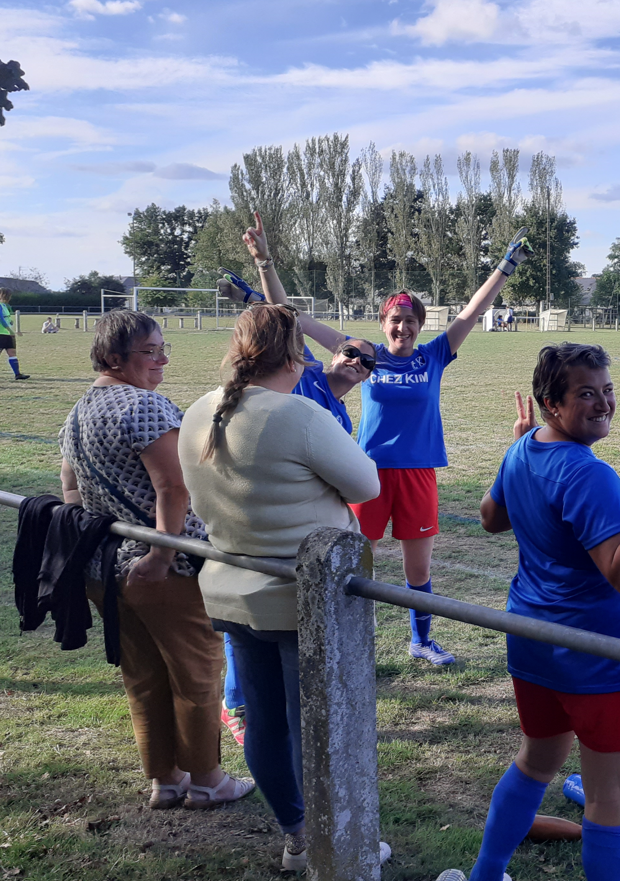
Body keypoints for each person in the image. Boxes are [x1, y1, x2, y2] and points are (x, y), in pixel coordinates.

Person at [435, 343, 620, 881]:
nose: (603, 403)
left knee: (536, 762)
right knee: (609, 795)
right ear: (551, 404)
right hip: (597, 657)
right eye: (586, 394)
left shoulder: (525, 447)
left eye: (608, 390)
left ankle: (486, 875)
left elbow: (491, 518)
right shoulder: (585, 474)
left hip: (534, 644)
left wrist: (517, 458)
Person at [179, 303, 385, 873]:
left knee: (265, 721)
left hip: (229, 590)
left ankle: (297, 836)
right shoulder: (298, 414)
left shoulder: (199, 411)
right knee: (315, 728)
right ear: (295, 356)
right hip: (304, 598)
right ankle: (327, 844)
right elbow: (365, 483)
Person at [58, 309, 252, 811]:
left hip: (105, 565)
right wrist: (162, 558)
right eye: (150, 351)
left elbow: (71, 489)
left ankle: (165, 781)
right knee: (198, 671)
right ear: (112, 357)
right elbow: (174, 486)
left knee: (142, 673)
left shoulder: (77, 411)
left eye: (163, 348)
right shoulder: (143, 407)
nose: (163, 358)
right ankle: (208, 781)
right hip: (159, 569)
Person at [210, 214, 379, 745]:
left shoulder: (341, 414)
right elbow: (283, 313)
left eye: (368, 363)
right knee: (252, 613)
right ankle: (234, 704)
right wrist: (264, 262)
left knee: (278, 621)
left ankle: (264, 704)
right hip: (258, 506)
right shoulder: (299, 372)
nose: (357, 361)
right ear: (328, 351)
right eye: (351, 350)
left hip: (299, 522)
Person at [352, 228, 534, 666]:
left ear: (420, 325)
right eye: (395, 319)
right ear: (383, 324)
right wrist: (261, 280)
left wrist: (504, 268)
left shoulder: (433, 355)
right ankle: (355, 643)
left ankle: (421, 641)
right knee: (357, 567)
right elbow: (304, 325)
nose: (403, 326)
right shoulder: (365, 355)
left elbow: (474, 311)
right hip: (365, 474)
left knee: (419, 571)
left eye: (411, 319)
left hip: (418, 473)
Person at [0, 288, 29, 379]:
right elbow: (0, 319)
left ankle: (17, 374)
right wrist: (10, 330)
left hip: (6, 332)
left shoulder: (4, 305)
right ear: (2, 295)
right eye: (8, 295)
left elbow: (6, 318)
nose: (9, 297)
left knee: (12, 352)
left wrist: (11, 322)